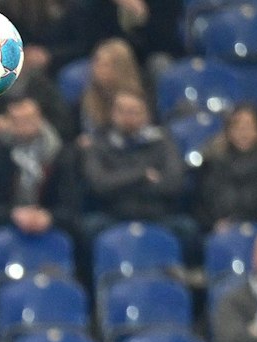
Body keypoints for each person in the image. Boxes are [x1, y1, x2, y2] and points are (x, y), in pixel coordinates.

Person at [0, 93, 81, 252]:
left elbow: (71, 205)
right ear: (8, 122)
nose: (24, 125)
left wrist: (48, 217)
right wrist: (14, 215)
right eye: (18, 121)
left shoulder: (60, 154)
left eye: (29, 119)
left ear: (40, 118)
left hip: (50, 220)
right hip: (7, 220)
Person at [77, 90, 190, 250]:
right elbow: (99, 184)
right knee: (89, 228)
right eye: (121, 111)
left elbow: (174, 183)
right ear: (112, 114)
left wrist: (121, 182)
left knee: (186, 229)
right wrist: (142, 175)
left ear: (147, 115)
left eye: (134, 112)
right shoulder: (99, 144)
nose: (128, 117)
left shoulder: (163, 142)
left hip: (158, 215)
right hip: (113, 215)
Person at [194, 103, 257, 232]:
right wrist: (213, 223)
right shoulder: (212, 162)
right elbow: (202, 202)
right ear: (228, 130)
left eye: (249, 127)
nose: (243, 133)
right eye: (238, 127)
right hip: (217, 228)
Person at [78, 37, 145, 135]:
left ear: (120, 69)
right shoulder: (87, 99)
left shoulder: (140, 96)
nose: (97, 69)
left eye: (105, 65)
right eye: (96, 63)